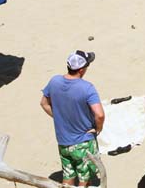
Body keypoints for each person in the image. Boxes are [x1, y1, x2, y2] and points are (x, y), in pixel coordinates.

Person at [41, 50, 105, 188]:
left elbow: (44, 104)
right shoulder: (87, 88)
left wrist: (59, 117)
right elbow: (99, 115)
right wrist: (98, 129)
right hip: (83, 143)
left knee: (68, 176)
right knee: (84, 179)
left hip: (63, 142)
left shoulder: (54, 81)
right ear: (81, 70)